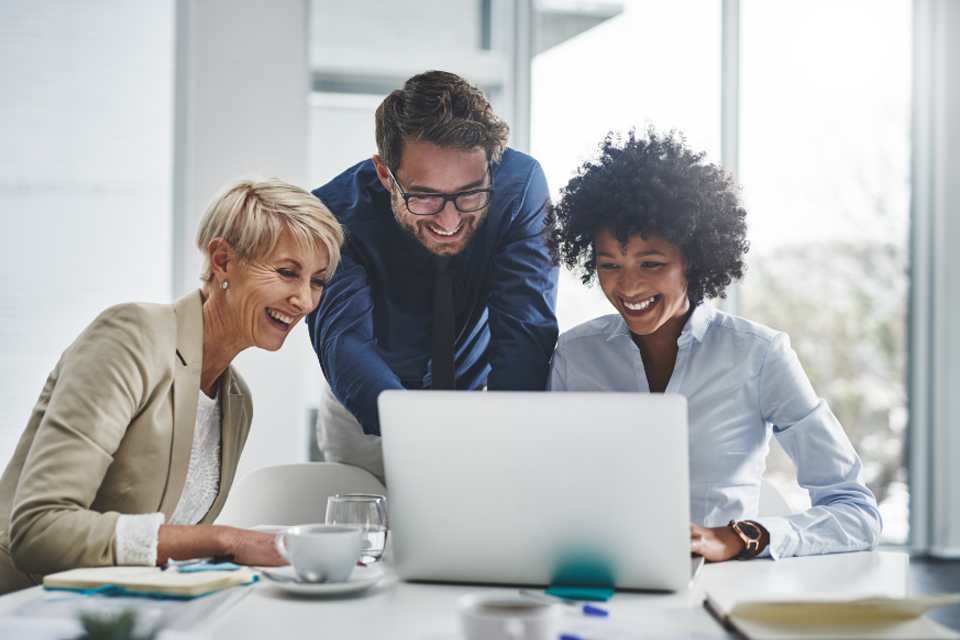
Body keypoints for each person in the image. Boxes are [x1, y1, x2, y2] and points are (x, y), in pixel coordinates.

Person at [547, 128, 881, 561]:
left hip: (718, 586)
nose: (627, 286)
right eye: (609, 265)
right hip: (600, 576)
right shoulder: (575, 356)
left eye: (651, 264)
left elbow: (856, 512)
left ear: (693, 258)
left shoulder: (759, 356)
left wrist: (737, 537)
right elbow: (546, 489)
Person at [0, 177, 344, 593]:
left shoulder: (237, 401)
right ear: (221, 260)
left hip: (126, 611)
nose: (305, 301)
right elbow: (39, 530)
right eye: (287, 272)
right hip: (24, 604)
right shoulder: (131, 336)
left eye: (317, 281)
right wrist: (225, 541)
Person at [307, 71, 558, 482]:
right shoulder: (332, 214)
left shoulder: (520, 187)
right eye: (424, 196)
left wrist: (508, 437)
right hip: (366, 413)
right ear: (385, 174)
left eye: (470, 193)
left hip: (478, 401)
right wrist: (421, 433)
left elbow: (524, 330)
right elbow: (344, 340)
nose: (449, 220)